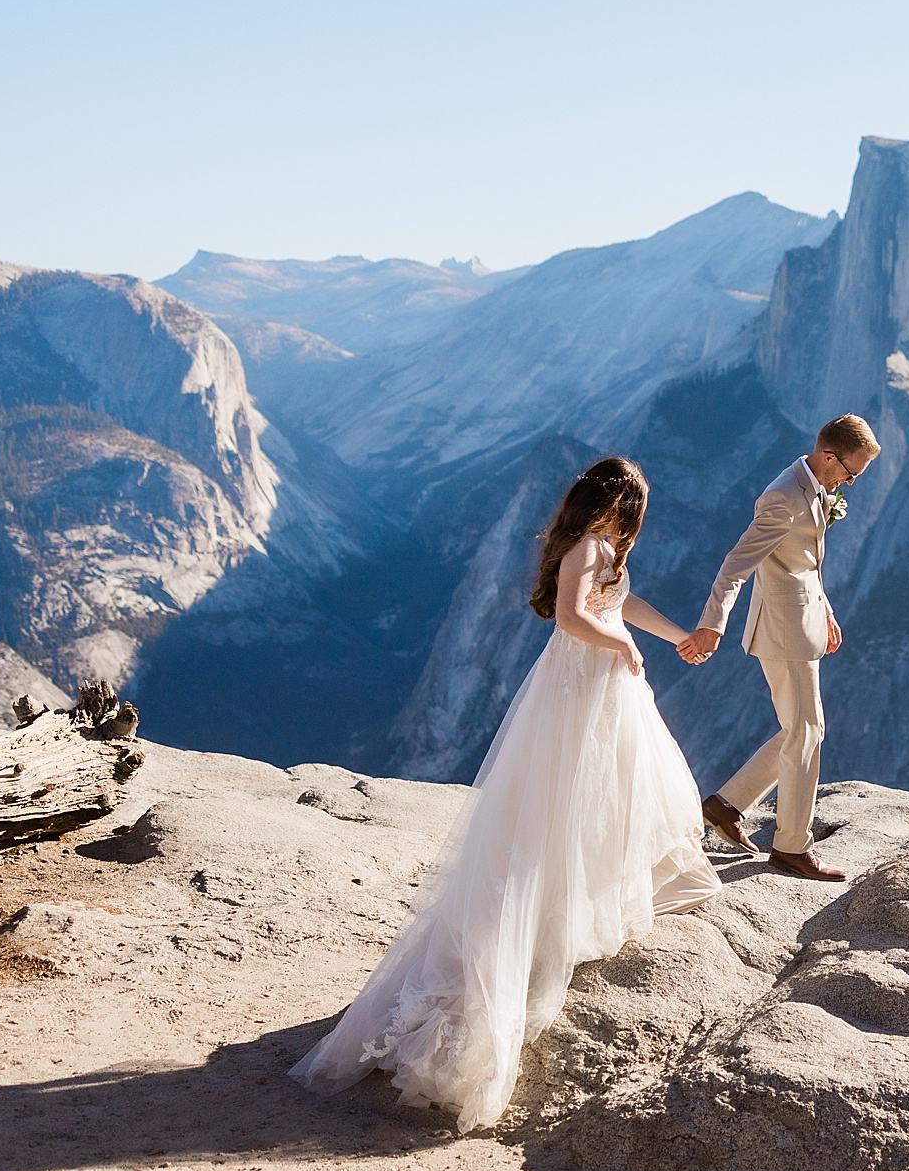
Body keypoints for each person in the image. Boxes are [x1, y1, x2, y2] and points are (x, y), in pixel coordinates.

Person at [289, 457, 719, 1132]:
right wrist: (625, 649)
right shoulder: (588, 547)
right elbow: (576, 616)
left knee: (608, 799)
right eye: (636, 509)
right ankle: (542, 924)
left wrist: (677, 636)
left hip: (601, 686)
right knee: (569, 805)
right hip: (582, 686)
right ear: (620, 507)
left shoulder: (599, 548)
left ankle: (572, 903)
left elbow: (618, 600)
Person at [678, 413, 880, 881]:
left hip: (802, 619)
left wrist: (824, 607)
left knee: (799, 728)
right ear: (829, 457)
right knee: (807, 730)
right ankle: (791, 845)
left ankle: (727, 804)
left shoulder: (815, 487)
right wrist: (712, 625)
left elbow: (804, 561)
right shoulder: (783, 497)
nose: (852, 482)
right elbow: (735, 565)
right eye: (851, 473)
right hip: (783, 629)